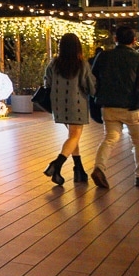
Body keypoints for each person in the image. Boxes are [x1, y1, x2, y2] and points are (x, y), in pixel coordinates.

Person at [91, 26, 139, 189]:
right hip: (132, 108)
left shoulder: (103, 56)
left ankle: (99, 167)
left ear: (115, 39)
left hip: (108, 106)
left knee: (110, 138)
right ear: (134, 41)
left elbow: (95, 76)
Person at [42, 32, 96, 185]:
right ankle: (56, 164)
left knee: (73, 137)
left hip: (59, 106)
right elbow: (90, 87)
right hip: (76, 105)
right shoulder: (81, 64)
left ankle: (79, 170)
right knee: (74, 136)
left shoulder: (54, 64)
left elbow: (47, 83)